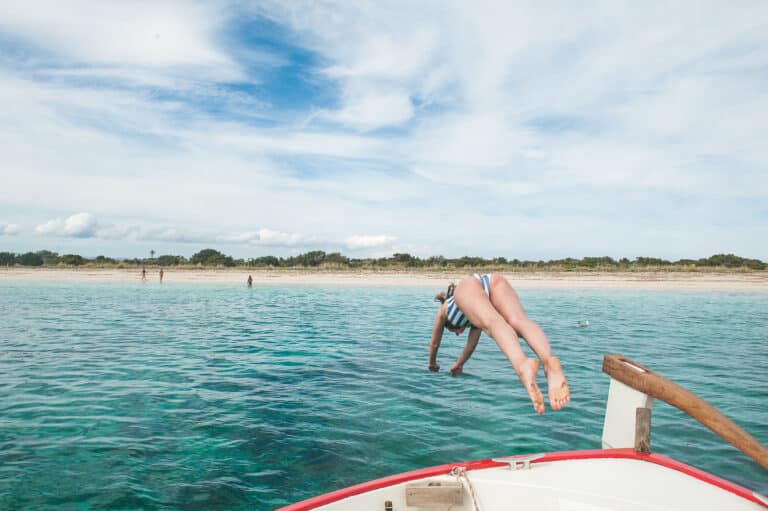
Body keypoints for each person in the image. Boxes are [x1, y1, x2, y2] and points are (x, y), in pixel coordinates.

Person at [429, 273, 570, 414]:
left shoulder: (444, 309)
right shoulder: (474, 319)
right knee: (518, 322)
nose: (458, 333)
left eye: (453, 330)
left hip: (467, 286)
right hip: (494, 280)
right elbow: (470, 346)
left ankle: (522, 365)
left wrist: (432, 363)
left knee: (494, 323)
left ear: (449, 324)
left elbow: (435, 342)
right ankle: (548, 362)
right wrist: (459, 364)